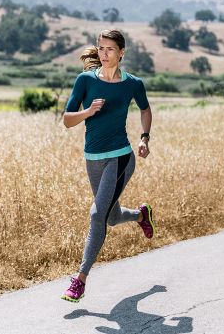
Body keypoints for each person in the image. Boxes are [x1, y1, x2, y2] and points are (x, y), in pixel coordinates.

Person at [61, 29, 156, 303]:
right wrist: (88, 111)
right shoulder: (85, 81)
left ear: (121, 52)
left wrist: (144, 138)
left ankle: (79, 280)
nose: (104, 53)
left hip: (121, 158)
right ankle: (141, 215)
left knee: (96, 215)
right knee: (110, 217)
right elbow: (67, 120)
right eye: (100, 48)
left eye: (110, 49)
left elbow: (145, 108)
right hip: (92, 159)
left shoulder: (133, 84)